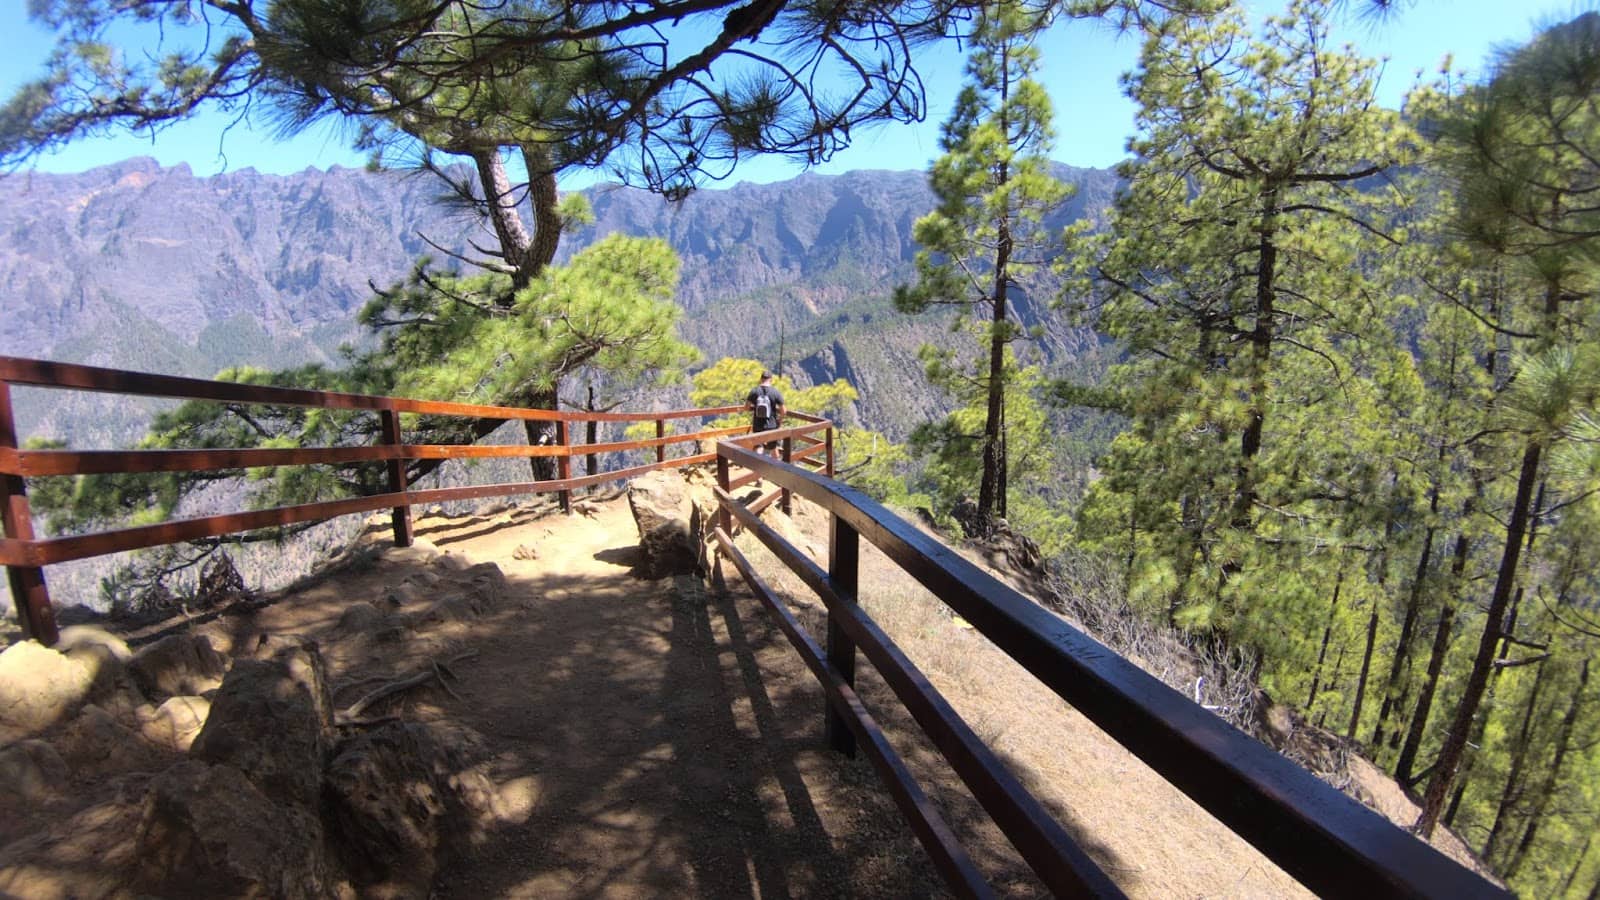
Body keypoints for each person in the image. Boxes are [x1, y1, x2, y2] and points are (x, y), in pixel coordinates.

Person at [746, 371, 786, 456]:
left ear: (761, 379)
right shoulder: (775, 392)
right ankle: (776, 464)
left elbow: (746, 407)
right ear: (771, 379)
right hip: (771, 425)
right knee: (773, 447)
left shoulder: (754, 391)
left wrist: (754, 407)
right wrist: (779, 421)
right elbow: (784, 411)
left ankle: (758, 464)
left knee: (758, 447)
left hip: (758, 425)